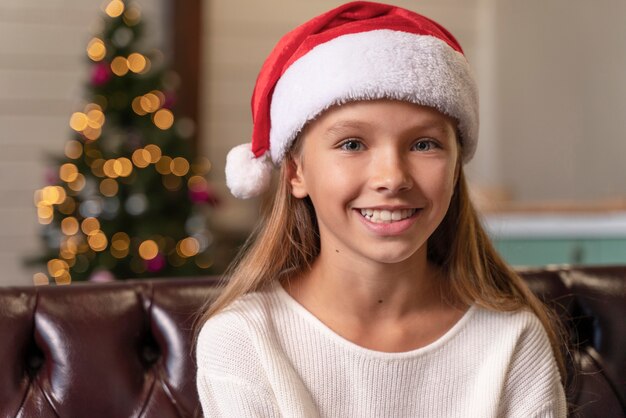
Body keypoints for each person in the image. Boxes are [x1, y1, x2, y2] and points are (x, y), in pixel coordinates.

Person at [195, 2, 567, 417]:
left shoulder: (512, 339)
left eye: (424, 144)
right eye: (352, 144)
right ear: (296, 172)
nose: (392, 177)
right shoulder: (243, 340)